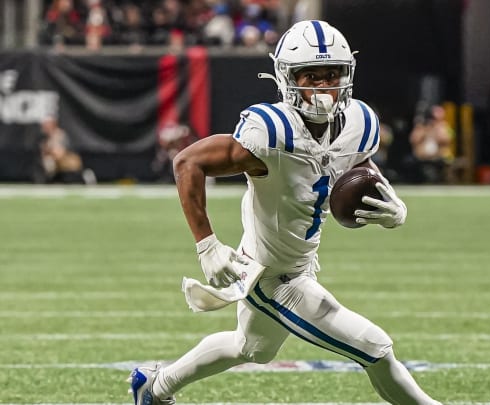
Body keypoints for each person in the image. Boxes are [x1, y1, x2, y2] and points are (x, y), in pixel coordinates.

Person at [128, 20, 441, 405]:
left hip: (300, 262)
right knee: (373, 346)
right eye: (312, 76)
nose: (324, 87)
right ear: (287, 78)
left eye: (333, 75)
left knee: (251, 348)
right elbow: (187, 162)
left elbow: (356, 164)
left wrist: (392, 203)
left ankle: (153, 387)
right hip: (269, 276)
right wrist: (206, 245)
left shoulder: (360, 122)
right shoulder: (272, 131)